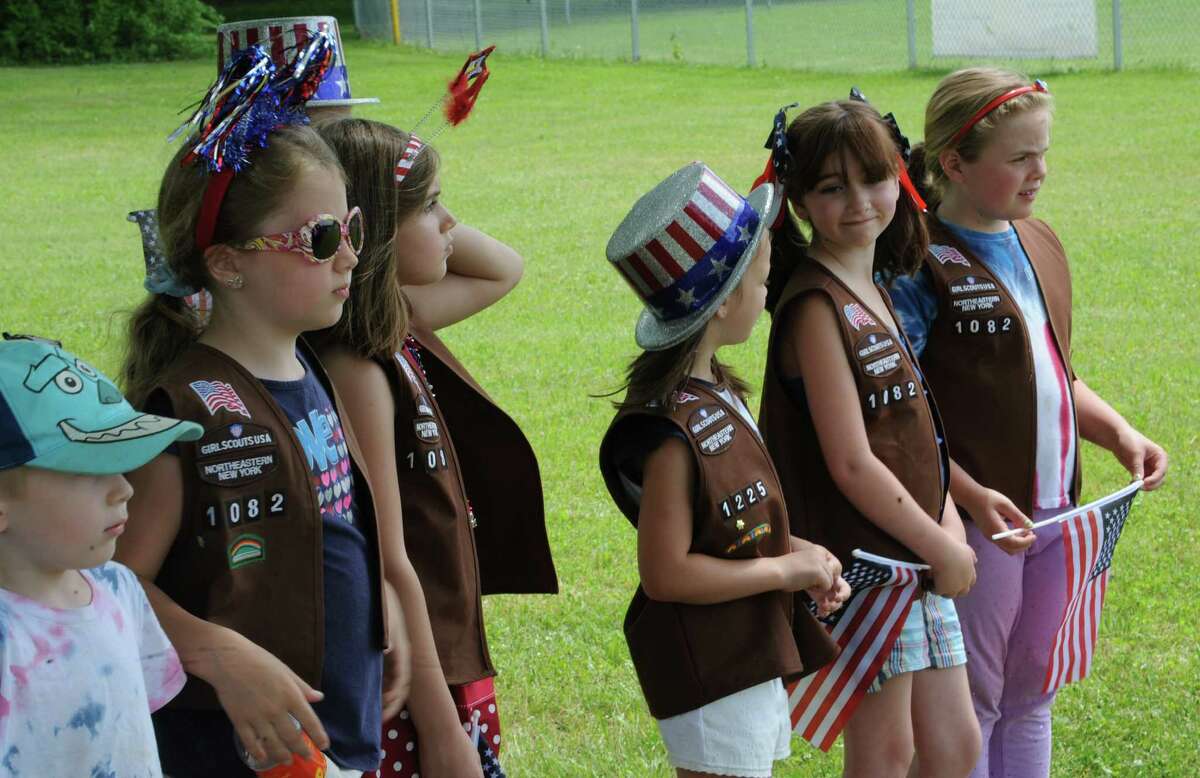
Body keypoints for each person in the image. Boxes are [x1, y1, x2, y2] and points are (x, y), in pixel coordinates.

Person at [114, 40, 405, 777]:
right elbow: (113, 585)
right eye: (321, 238)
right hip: (235, 751)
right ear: (227, 262)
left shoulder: (307, 364)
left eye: (353, 229)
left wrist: (377, 605)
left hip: (333, 733)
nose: (349, 257)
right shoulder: (184, 409)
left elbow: (325, 526)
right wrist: (217, 653)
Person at [891, 67, 1169, 778]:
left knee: (1033, 689)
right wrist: (966, 498)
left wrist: (1117, 432)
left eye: (1043, 152)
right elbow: (901, 416)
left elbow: (1052, 372)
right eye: (1019, 158)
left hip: (1055, 513)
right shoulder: (918, 263)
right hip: (980, 521)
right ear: (954, 162)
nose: (1040, 171)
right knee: (975, 700)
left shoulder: (1034, 240)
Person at [313, 117, 556, 778]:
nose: (450, 222)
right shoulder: (358, 366)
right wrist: (442, 731)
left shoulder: (394, 319)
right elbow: (390, 560)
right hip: (420, 691)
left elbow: (503, 268)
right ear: (372, 230)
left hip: (450, 662)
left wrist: (395, 183)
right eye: (429, 206)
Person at [756, 99, 981, 777]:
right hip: (868, 571)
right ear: (796, 201)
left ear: (901, 179)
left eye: (874, 178)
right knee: (886, 756)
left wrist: (948, 517)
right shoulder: (815, 306)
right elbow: (851, 463)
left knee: (955, 748)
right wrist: (938, 540)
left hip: (914, 554)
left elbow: (912, 430)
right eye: (831, 187)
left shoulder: (877, 283)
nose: (860, 202)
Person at [598, 162, 846, 778]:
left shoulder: (719, 393)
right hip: (711, 669)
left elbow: (732, 522)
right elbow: (666, 572)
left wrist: (802, 555)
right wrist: (785, 567)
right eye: (761, 281)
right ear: (723, 300)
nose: (767, 295)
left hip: (745, 649)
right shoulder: (672, 434)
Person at [0, 334, 202, 776]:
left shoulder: (119, 589)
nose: (124, 488)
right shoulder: (8, 636)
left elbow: (131, 736)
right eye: (88, 470)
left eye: (120, 463)